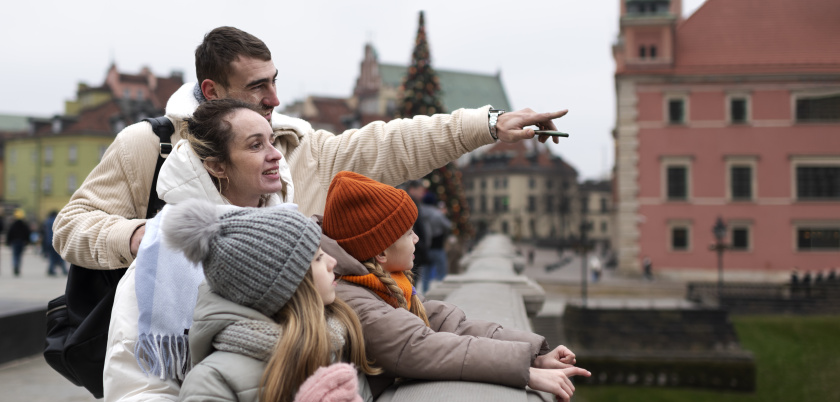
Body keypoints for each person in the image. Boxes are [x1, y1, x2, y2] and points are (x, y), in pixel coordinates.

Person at [53, 25, 569, 272]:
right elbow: (71, 226)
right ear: (211, 92)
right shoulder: (150, 145)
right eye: (258, 87)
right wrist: (142, 236)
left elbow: (391, 145)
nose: (275, 98)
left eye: (275, 81)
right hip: (170, 369)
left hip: (281, 373)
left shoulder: (298, 146)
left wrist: (489, 124)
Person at [103, 99, 297, 402]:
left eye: (272, 141)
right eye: (256, 145)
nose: (275, 155)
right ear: (217, 165)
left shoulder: (292, 237)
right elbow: (140, 394)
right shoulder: (165, 255)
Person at [320, 172, 590, 402]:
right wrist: (526, 373)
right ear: (379, 253)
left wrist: (534, 355)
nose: (416, 238)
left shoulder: (379, 283)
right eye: (407, 233)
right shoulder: (351, 297)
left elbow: (447, 324)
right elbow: (420, 346)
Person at [164, 200, 378, 402]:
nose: (333, 262)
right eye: (318, 257)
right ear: (286, 285)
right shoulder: (212, 381)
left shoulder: (333, 339)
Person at [43, 210, 68, 276]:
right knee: (60, 257)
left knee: (51, 257)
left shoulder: (47, 221)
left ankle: (51, 269)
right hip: (57, 241)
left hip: (48, 241)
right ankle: (64, 270)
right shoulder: (57, 221)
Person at [6, 209, 30, 277]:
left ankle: (15, 265)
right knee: (19, 256)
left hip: (14, 242)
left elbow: (9, 233)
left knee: (15, 255)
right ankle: (18, 267)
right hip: (22, 242)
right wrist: (27, 241)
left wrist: (8, 242)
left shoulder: (13, 224)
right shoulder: (24, 225)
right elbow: (27, 233)